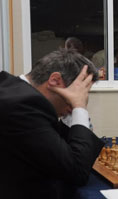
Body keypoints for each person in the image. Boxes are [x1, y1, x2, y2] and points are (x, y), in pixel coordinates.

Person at [0, 49, 105, 199]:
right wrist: (78, 108)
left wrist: (71, 112)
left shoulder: (14, 91)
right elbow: (77, 171)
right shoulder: (22, 106)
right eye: (79, 92)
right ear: (55, 80)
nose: (80, 98)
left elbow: (60, 151)